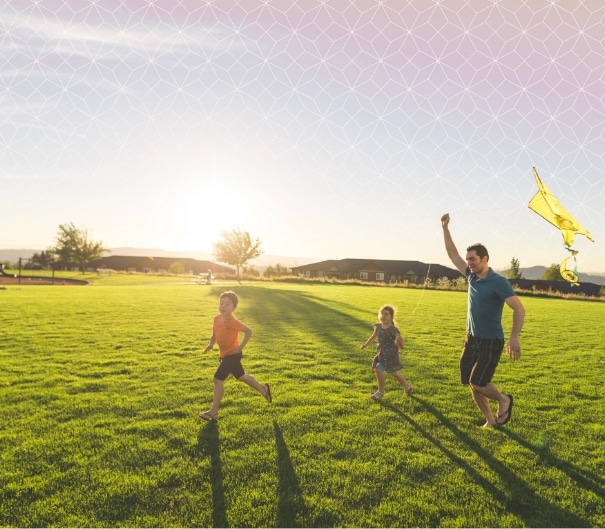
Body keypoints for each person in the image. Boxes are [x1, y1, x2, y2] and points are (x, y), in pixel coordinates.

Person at [441, 213, 525, 427]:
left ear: (485, 259)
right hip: (472, 339)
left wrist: (514, 337)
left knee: (477, 382)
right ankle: (490, 421)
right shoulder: (471, 276)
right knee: (472, 383)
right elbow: (452, 254)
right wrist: (445, 228)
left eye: (473, 259)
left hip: (491, 341)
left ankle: (504, 400)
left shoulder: (499, 282)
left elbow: (519, 309)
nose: (468, 263)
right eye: (468, 259)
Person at [200, 291, 271, 421]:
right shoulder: (216, 319)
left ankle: (213, 412)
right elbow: (215, 335)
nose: (223, 306)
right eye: (221, 303)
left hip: (233, 355)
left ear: (234, 308)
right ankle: (263, 389)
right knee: (241, 377)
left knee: (217, 379)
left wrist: (239, 348)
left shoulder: (232, 321)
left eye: (228, 304)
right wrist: (210, 344)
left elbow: (249, 331)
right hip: (225, 355)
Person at [361, 304, 412, 400]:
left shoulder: (393, 329)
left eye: (386, 314)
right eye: (381, 314)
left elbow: (400, 339)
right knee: (394, 372)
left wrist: (399, 342)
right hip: (382, 352)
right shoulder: (378, 327)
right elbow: (373, 337)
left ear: (391, 317)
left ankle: (380, 392)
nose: (383, 316)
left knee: (379, 370)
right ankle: (407, 387)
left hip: (391, 354)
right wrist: (365, 345)